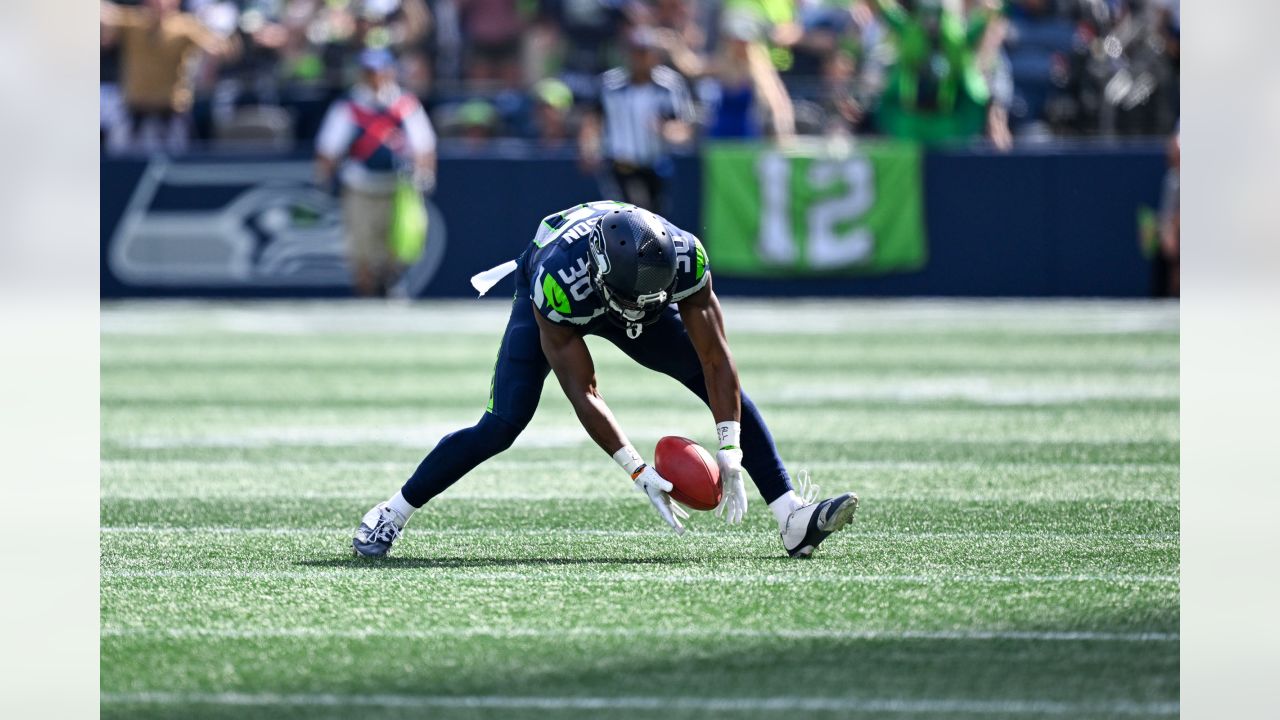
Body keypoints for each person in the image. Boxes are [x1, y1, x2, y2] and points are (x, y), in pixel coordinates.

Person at [352, 201, 861, 559]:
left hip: (625, 283)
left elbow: (716, 357)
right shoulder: (560, 282)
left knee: (711, 382)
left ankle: (792, 516)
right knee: (503, 423)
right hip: (561, 286)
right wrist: (638, 470)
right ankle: (391, 512)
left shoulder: (683, 257)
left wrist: (730, 448)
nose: (638, 316)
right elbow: (583, 391)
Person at [315, 48, 437, 296]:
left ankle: (391, 287)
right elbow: (328, 150)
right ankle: (367, 297)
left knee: (400, 246)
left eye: (379, 71)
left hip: (398, 188)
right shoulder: (348, 108)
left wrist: (425, 175)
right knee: (362, 251)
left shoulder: (405, 105)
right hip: (360, 187)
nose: (374, 77)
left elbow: (424, 146)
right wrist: (324, 179)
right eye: (369, 72)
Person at [578, 28, 696, 213]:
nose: (639, 58)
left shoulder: (669, 85)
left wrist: (668, 130)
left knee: (656, 218)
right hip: (621, 163)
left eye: (644, 52)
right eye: (635, 52)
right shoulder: (610, 85)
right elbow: (593, 120)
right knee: (626, 215)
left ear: (654, 55)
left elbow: (683, 126)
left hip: (657, 164)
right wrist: (588, 148)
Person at [100, 0, 238, 154]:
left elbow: (223, 48)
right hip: (134, 112)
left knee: (172, 161)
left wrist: (213, 52)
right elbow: (106, 15)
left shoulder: (186, 26)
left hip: (169, 115)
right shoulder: (133, 22)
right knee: (122, 162)